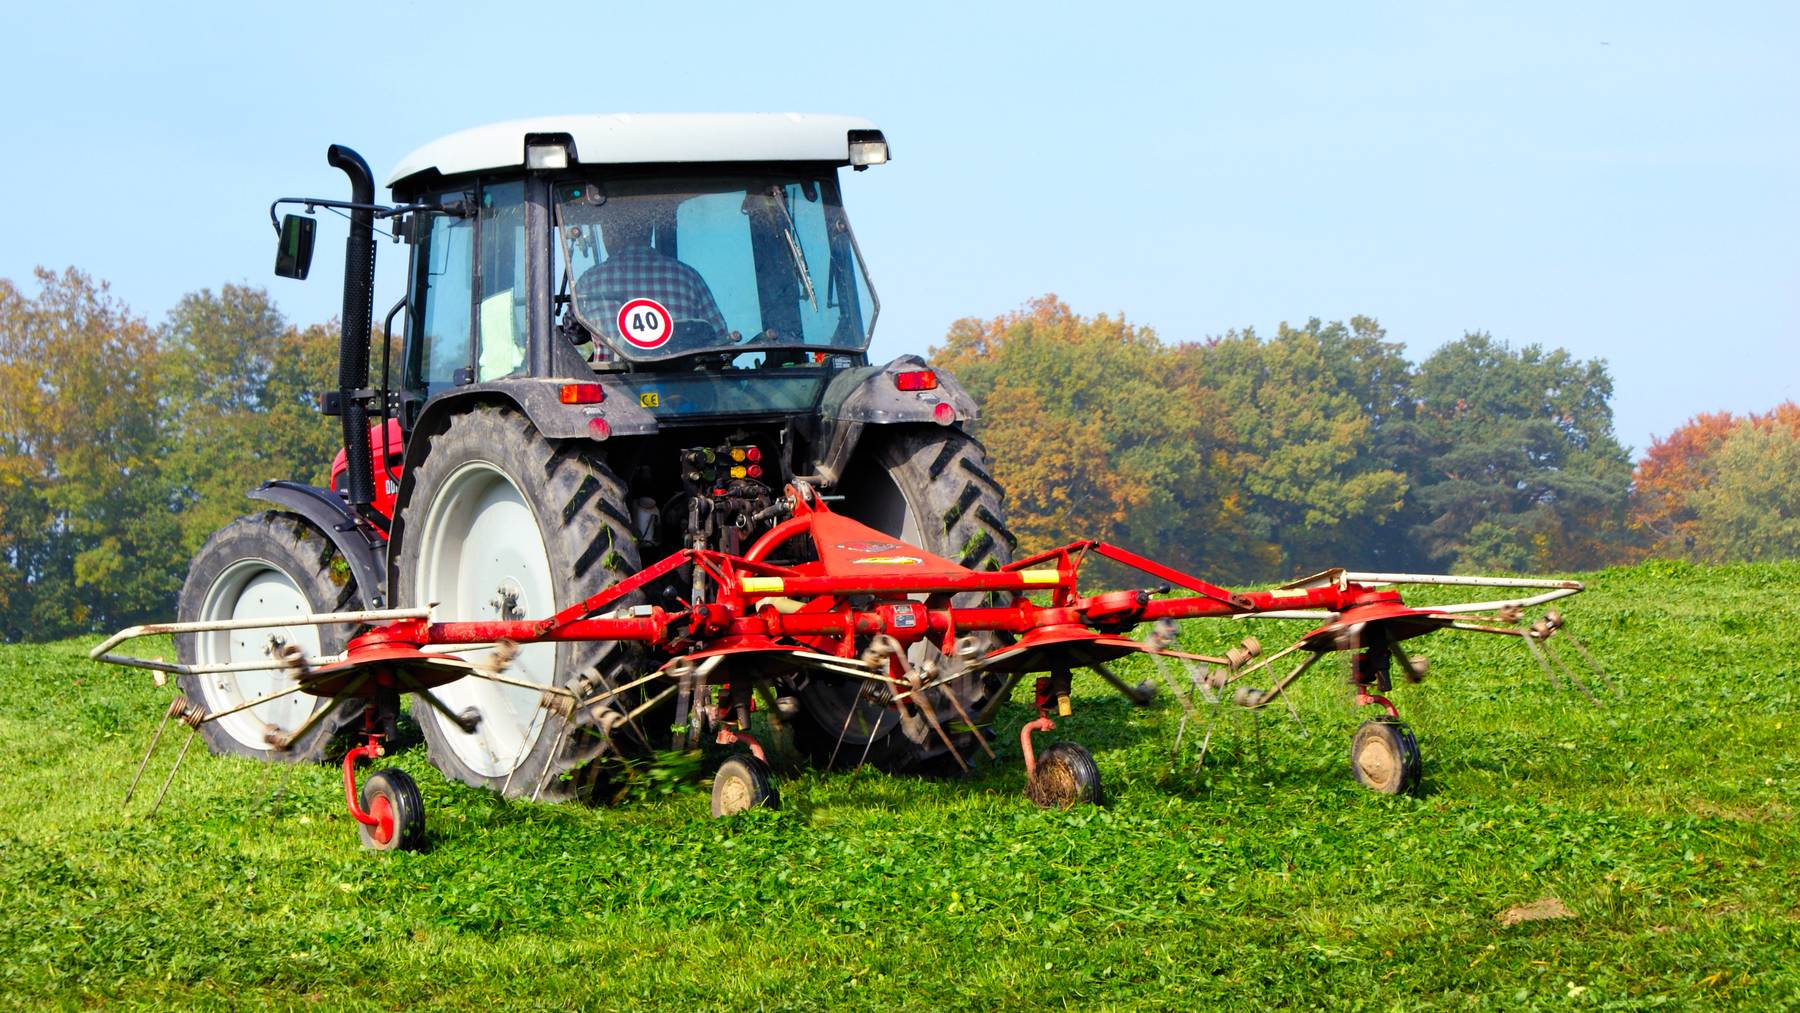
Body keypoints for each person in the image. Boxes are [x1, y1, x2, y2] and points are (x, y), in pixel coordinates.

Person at [574, 201, 731, 349]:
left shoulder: (589, 281)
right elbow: (721, 340)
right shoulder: (687, 277)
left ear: (610, 235)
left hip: (613, 378)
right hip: (681, 376)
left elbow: (574, 334)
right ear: (648, 232)